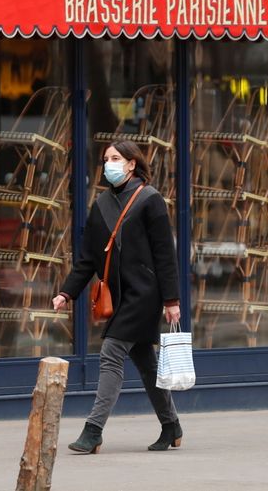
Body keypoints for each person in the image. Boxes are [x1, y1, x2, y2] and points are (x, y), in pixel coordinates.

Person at [52, 139, 182, 454]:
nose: (108, 163)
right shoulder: (101, 205)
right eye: (106, 158)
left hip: (145, 295)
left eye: (115, 158)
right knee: (146, 363)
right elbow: (87, 259)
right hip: (117, 296)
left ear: (131, 164)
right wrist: (66, 292)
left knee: (110, 352)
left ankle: (93, 430)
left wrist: (171, 301)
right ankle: (171, 426)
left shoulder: (150, 200)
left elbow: (165, 254)